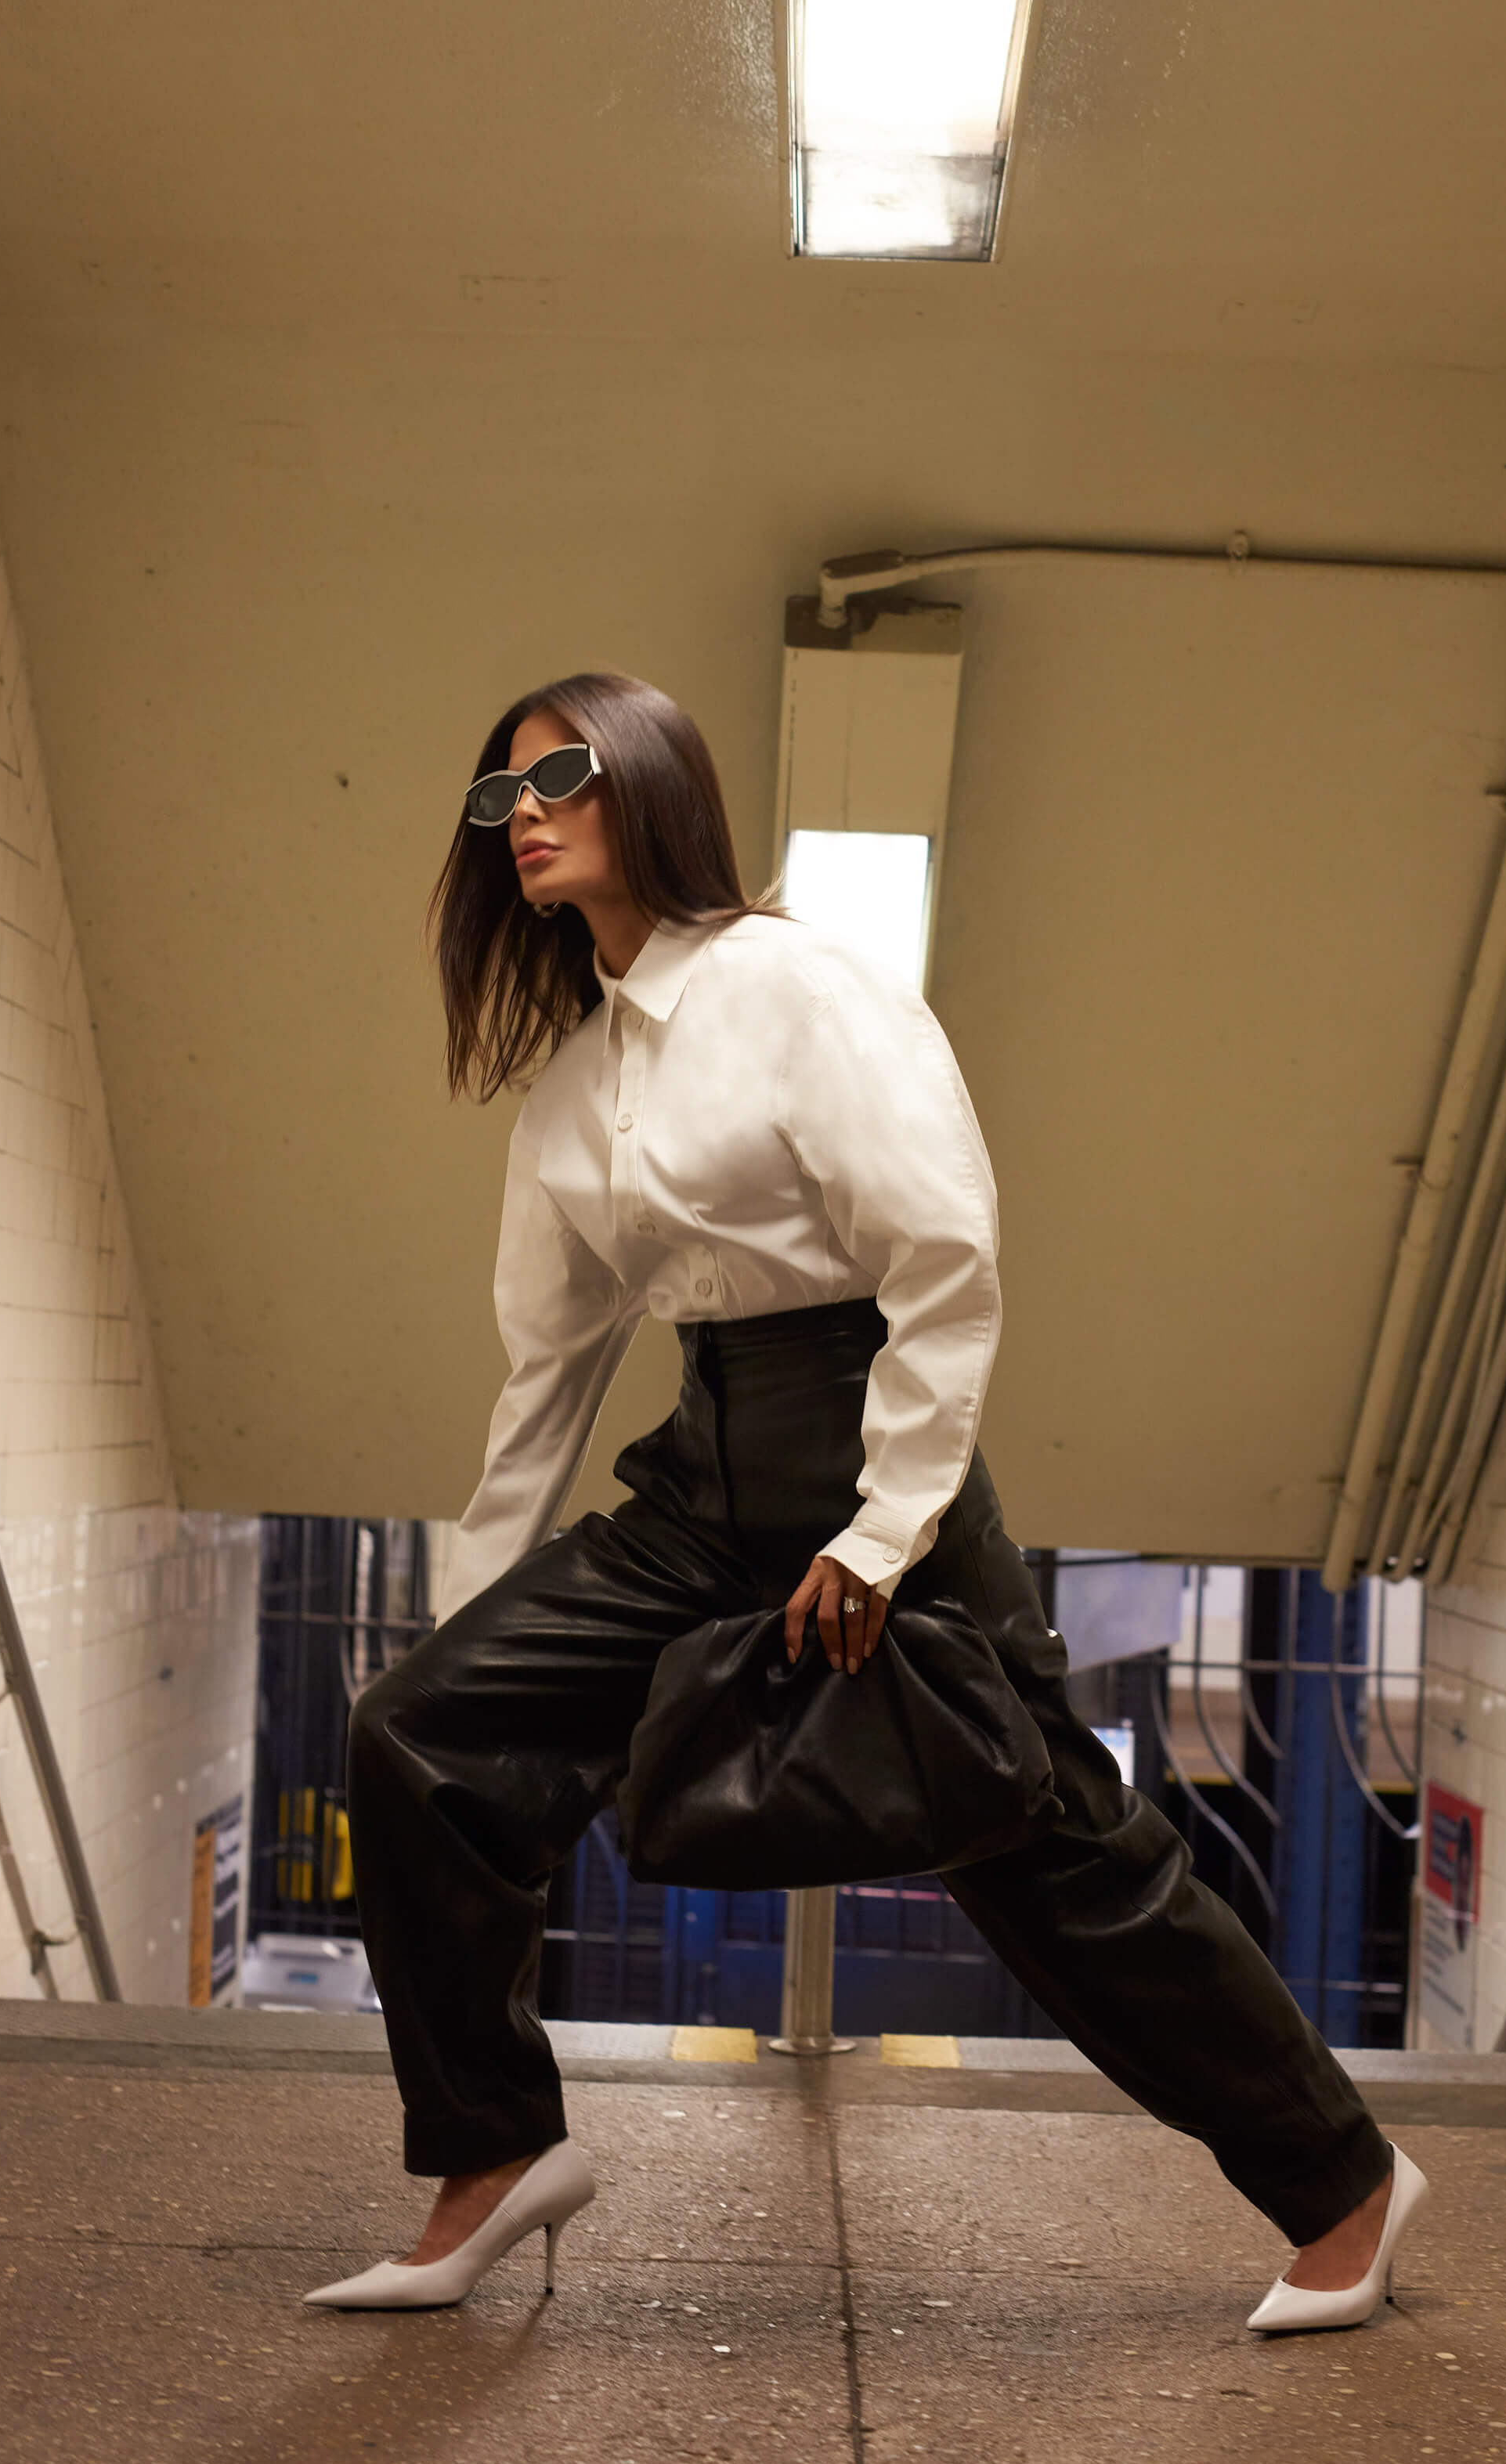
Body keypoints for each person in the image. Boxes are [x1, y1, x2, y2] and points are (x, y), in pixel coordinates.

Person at [306, 670, 1428, 2332]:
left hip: (871, 1460)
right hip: (702, 1484)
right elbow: (542, 1385)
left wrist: (885, 1527)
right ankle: (493, 2150)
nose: (524, 810)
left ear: (655, 784)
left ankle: (1343, 2179)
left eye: (560, 773)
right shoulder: (570, 1088)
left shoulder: (796, 984)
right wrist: (482, 1614)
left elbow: (940, 1253)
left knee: (1049, 1854)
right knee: (417, 1729)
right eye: (497, 795)